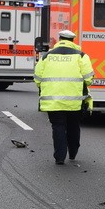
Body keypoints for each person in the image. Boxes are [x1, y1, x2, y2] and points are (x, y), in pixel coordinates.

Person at [34, 29, 94, 165]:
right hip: (75, 101)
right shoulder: (82, 56)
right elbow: (89, 78)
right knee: (73, 126)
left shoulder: (46, 56)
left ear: (59, 40)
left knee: (58, 126)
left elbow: (37, 78)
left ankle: (59, 157)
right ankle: (73, 153)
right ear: (73, 41)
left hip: (53, 100)